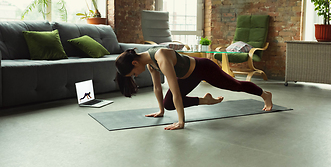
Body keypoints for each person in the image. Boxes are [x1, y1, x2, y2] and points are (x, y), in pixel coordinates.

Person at [115, 47, 273, 130]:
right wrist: (161, 110)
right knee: (169, 104)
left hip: (203, 68)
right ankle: (206, 100)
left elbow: (175, 90)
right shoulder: (150, 64)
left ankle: (264, 94)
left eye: (133, 74)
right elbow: (157, 87)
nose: (136, 75)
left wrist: (181, 122)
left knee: (235, 85)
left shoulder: (160, 57)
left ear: (134, 63)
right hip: (188, 77)